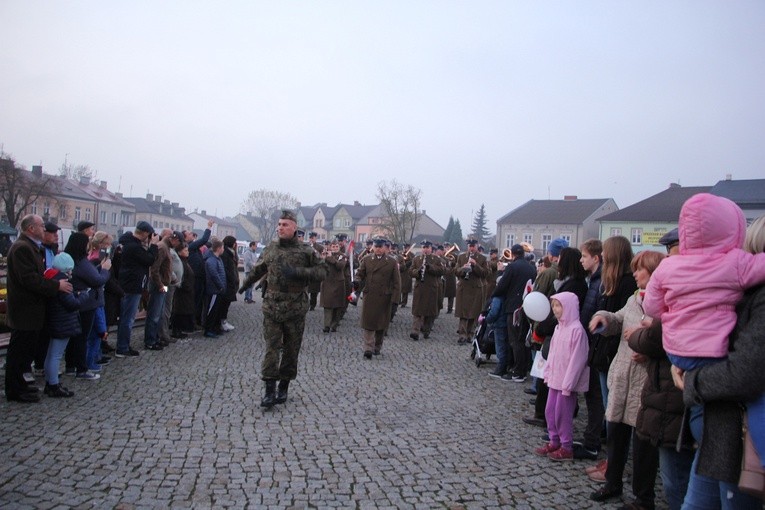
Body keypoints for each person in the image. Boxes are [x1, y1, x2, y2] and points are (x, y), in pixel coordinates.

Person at [643, 193, 765, 464]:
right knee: (713, 416)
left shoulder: (668, 267)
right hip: (715, 352)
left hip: (676, 351)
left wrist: (675, 314)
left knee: (702, 419)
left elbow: (651, 307)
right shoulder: (736, 262)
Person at [671, 214, 765, 510]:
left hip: (740, 439)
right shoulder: (743, 290)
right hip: (720, 435)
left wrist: (692, 379)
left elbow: (746, 372)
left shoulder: (759, 296)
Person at [588, 250, 666, 506]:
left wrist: (647, 345)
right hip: (622, 377)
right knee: (616, 436)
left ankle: (643, 498)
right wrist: (604, 317)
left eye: (639, 269)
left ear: (654, 273)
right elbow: (619, 318)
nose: (634, 273)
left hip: (646, 383)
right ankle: (613, 483)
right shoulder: (635, 299)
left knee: (644, 446)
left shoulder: (665, 304)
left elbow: (667, 339)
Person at [239, 210, 327, 408]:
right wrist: (246, 284)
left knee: (291, 348)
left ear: (295, 228)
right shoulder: (271, 247)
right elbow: (260, 268)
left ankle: (284, 386)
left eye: (285, 224)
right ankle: (269, 390)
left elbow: (323, 271)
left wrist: (299, 272)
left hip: (295, 307)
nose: (280, 228)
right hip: (272, 305)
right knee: (272, 347)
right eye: (279, 224)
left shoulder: (305, 251)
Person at [5, 214, 71, 403]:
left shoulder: (32, 247)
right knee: (19, 351)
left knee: (26, 351)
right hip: (24, 309)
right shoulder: (22, 248)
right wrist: (56, 286)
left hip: (32, 308)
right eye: (42, 226)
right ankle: (15, 389)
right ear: (31, 229)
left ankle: (21, 384)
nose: (45, 229)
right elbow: (29, 279)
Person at [533, 291, 590, 461]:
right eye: (554, 306)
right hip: (554, 380)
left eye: (559, 306)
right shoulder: (558, 328)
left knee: (562, 414)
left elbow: (577, 360)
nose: (556, 310)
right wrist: (548, 373)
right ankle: (554, 440)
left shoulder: (577, 330)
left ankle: (566, 446)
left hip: (566, 383)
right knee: (550, 411)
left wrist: (569, 383)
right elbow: (552, 354)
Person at [573, 238, 606, 461]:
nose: (581, 260)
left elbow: (597, 313)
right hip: (591, 343)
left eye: (584, 256)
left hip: (596, 345)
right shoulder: (595, 280)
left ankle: (592, 441)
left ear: (596, 258)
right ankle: (595, 434)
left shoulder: (600, 281)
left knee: (595, 395)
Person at [63, 232, 111, 380]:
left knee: (74, 337)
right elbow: (97, 280)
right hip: (87, 303)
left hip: (75, 301)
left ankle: (70, 366)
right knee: (82, 337)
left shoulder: (69, 259)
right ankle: (82, 369)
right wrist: (104, 269)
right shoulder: (82, 262)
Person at [42, 253, 91, 398]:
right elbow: (72, 304)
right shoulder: (62, 282)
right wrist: (83, 295)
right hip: (62, 323)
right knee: (55, 355)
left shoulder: (50, 277)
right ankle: (53, 384)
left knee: (51, 354)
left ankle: (50, 382)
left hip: (55, 321)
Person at [487, 243, 536, 380]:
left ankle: (517, 371)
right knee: (523, 339)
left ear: (513, 254)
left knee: (515, 340)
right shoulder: (531, 267)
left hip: (513, 307)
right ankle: (523, 368)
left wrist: (493, 296)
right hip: (527, 305)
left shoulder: (513, 267)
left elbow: (502, 286)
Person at [115, 221, 159, 357]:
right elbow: (149, 260)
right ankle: (122, 347)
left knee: (127, 318)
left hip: (132, 284)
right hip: (132, 286)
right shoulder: (134, 247)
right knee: (127, 319)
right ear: (145, 233)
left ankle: (124, 345)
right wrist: (153, 246)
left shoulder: (130, 244)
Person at [354, 238, 401, 359]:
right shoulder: (367, 259)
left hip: (384, 296)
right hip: (370, 295)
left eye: (380, 247)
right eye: (376, 247)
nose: (378, 249)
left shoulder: (391, 262)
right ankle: (368, 348)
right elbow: (360, 273)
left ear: (384, 248)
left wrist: (395, 299)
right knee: (369, 322)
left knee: (381, 324)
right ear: (373, 247)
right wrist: (357, 281)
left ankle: (377, 346)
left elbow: (396, 282)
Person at [454, 239, 489, 344]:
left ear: (477, 246)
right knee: (463, 313)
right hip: (464, 287)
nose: (471, 248)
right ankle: (462, 335)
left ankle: (470, 334)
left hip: (475, 288)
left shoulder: (482, 258)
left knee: (473, 313)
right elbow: (456, 271)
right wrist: (462, 269)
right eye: (470, 246)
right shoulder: (461, 257)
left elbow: (485, 273)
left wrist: (475, 265)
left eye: (473, 246)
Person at [408, 241, 445, 341]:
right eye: (423, 247)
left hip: (431, 288)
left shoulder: (436, 259)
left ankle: (426, 330)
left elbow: (441, 271)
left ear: (431, 248)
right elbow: (411, 271)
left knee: (430, 311)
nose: (425, 249)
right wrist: (418, 271)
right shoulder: (416, 259)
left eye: (427, 247)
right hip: (420, 288)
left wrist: (430, 267)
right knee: (417, 311)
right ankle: (415, 331)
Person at [183, 218, 213, 326]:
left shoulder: (192, 247)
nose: (192, 235)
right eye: (190, 234)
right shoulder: (190, 246)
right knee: (194, 300)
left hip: (199, 276)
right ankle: (192, 322)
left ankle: (196, 320)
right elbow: (204, 239)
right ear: (186, 238)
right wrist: (209, 227)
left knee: (198, 300)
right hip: (195, 277)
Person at [319, 239, 348, 333]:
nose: (335, 248)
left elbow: (340, 266)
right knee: (327, 305)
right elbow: (320, 266)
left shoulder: (342, 256)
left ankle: (334, 325)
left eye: (336, 247)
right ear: (330, 247)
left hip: (338, 283)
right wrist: (322, 259)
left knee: (337, 306)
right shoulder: (326, 254)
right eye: (333, 246)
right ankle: (326, 325)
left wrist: (331, 258)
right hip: (327, 282)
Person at [202, 239, 226, 338]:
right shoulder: (211, 260)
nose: (223, 250)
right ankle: (208, 329)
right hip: (214, 290)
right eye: (222, 248)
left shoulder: (217, 259)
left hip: (218, 290)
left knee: (215, 310)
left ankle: (213, 328)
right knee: (211, 310)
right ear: (219, 248)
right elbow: (214, 275)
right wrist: (220, 286)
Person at [171, 243, 195, 338]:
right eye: (185, 250)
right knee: (178, 311)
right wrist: (186, 286)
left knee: (183, 310)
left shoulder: (185, 261)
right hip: (182, 290)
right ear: (179, 252)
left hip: (187, 290)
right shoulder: (180, 262)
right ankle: (176, 330)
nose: (187, 252)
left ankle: (179, 329)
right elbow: (180, 275)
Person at [219, 236, 239, 332]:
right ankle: (222, 322)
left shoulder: (230, 253)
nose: (236, 245)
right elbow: (226, 269)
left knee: (226, 304)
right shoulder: (225, 254)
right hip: (227, 282)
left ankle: (223, 321)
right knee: (223, 304)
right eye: (235, 243)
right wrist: (231, 277)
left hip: (231, 282)